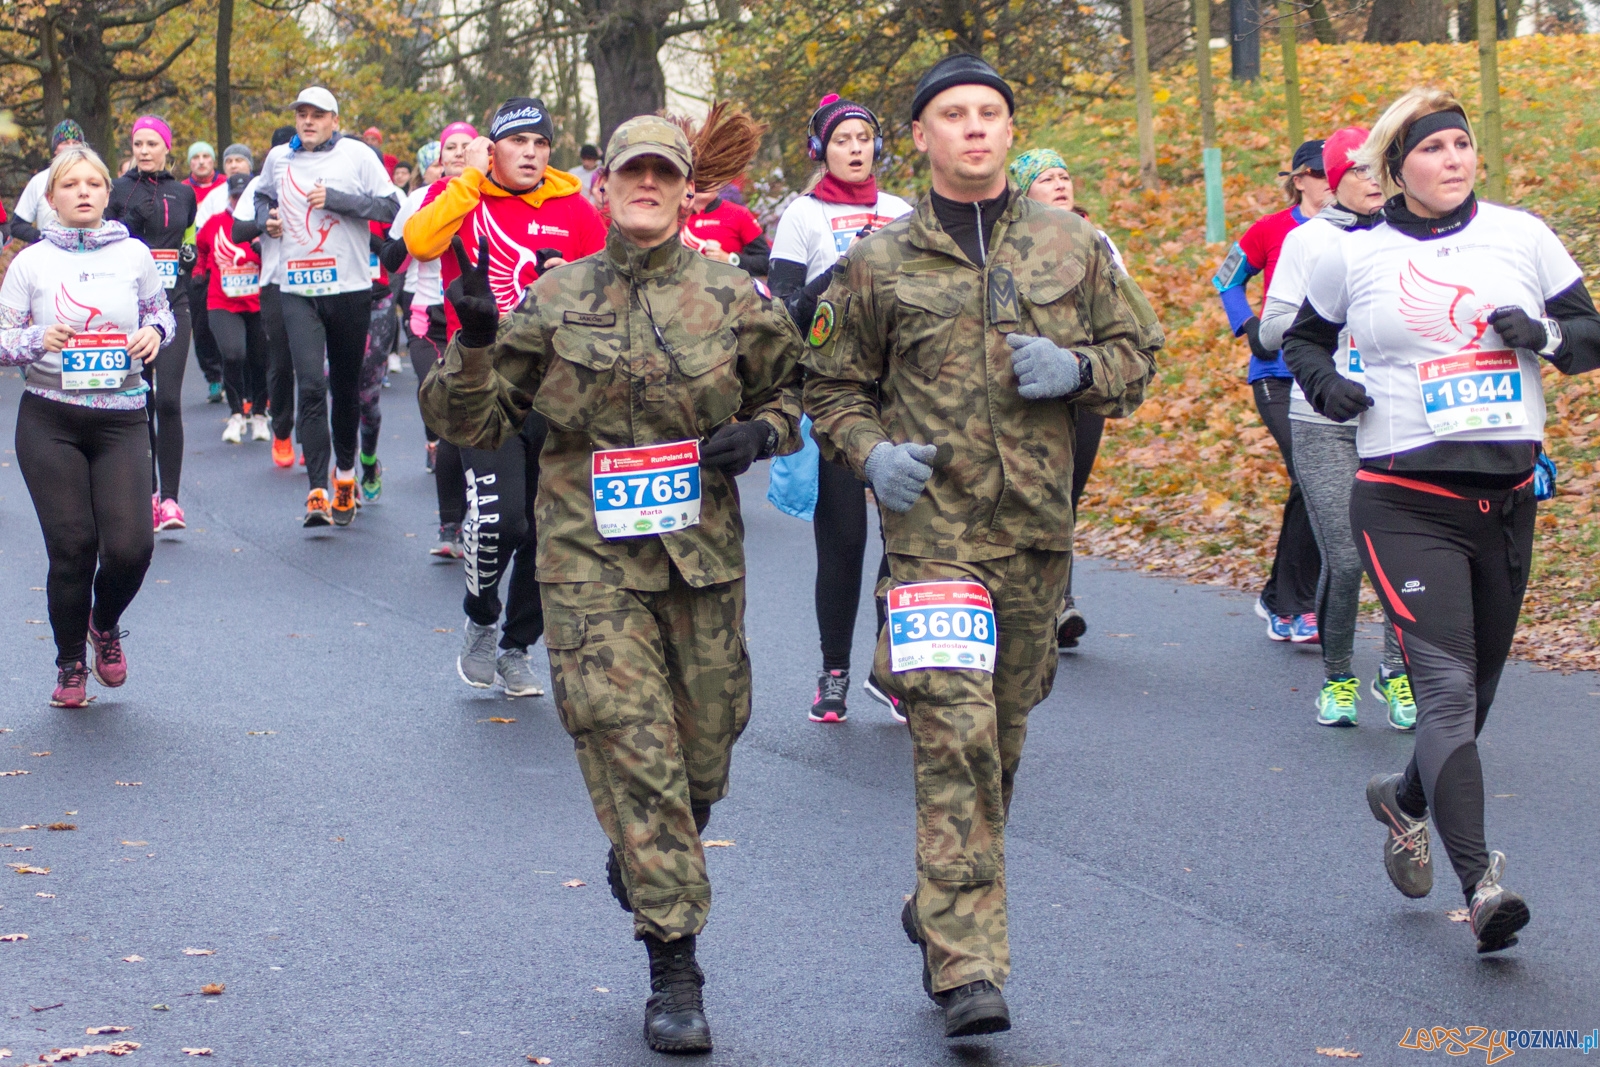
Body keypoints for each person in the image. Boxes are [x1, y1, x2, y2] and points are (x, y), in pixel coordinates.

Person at [421, 113, 802, 1055]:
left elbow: (797, 391)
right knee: (634, 749)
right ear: (604, 187)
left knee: (704, 753)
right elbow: (471, 420)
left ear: (684, 190)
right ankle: (674, 963)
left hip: (700, 559)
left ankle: (647, 846)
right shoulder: (553, 299)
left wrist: (764, 433)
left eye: (662, 175)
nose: (645, 186)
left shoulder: (732, 295)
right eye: (629, 172)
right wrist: (471, 340)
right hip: (587, 559)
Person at [803, 54, 1158, 1038]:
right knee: (952, 739)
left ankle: (938, 901)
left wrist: (1078, 367)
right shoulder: (877, 263)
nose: (972, 128)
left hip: (1036, 536)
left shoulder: (1074, 245)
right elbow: (826, 382)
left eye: (989, 114)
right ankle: (966, 964)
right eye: (951, 115)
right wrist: (871, 457)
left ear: (1009, 131)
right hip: (930, 541)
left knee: (1000, 736)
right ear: (918, 137)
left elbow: (1139, 356)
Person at [1283, 87, 1600, 954]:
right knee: (1448, 691)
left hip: (1504, 502)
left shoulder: (1522, 235)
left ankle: (1405, 798)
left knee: (1480, 694)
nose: (1453, 159)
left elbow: (1589, 334)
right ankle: (1484, 885)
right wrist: (1326, 387)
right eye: (1433, 148)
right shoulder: (1354, 254)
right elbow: (1301, 341)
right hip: (1402, 497)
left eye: (1463, 145)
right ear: (1398, 168)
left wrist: (1536, 333)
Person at [405, 98, 606, 695]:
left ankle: (518, 646)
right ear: (494, 151)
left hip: (557, 387)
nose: (532, 154)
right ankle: (481, 617)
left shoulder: (572, 206)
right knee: (503, 523)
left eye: (541, 144)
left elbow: (604, 285)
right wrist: (469, 180)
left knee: (550, 532)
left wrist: (566, 274)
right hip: (481, 381)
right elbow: (418, 241)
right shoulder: (467, 200)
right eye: (518, 143)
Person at [0, 145, 175, 707]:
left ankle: (104, 624)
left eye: (93, 185)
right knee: (73, 545)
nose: (83, 193)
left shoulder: (134, 255)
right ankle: (71, 663)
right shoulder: (31, 263)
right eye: (70, 185)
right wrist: (34, 340)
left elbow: (161, 313)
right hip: (50, 417)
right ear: (51, 198)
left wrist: (157, 335)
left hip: (121, 416)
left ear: (107, 193)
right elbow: (3, 338)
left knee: (131, 549)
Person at [1258, 127, 1415, 729]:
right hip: (1321, 417)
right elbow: (1271, 330)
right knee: (1347, 560)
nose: (1373, 180)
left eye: (1379, 168)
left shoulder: (1410, 231)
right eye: (1357, 171)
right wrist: (1323, 317)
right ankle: (1339, 678)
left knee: (1401, 555)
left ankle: (1396, 676)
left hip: (1396, 415)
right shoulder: (1308, 241)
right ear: (1332, 179)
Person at [765, 93, 913, 724]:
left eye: (864, 138)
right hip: (832, 396)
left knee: (906, 539)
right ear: (821, 149)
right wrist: (844, 273)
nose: (855, 149)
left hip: (902, 394)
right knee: (844, 541)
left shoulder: (904, 211)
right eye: (842, 139)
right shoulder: (802, 215)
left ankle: (892, 666)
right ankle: (833, 673)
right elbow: (783, 309)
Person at [1009, 146, 1163, 651]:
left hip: (1082, 380)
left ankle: (1059, 602)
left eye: (1064, 175)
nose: (1059, 183)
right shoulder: (1007, 239)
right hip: (1026, 385)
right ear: (1022, 190)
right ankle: (1029, 598)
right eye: (1046, 178)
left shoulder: (1096, 239)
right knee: (1028, 495)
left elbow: (1123, 309)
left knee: (1065, 497)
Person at [250, 87, 400, 526]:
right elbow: (261, 197)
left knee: (346, 390)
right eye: (302, 114)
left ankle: (347, 474)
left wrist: (337, 199)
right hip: (297, 289)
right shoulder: (280, 158)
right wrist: (267, 221)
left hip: (351, 289)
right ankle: (317, 488)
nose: (309, 121)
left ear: (335, 119)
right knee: (311, 386)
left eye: (318, 115)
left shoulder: (357, 155)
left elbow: (392, 207)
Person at [1213, 139, 1331, 644]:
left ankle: (1277, 598)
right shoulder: (1271, 229)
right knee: (1309, 473)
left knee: (1314, 482)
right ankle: (1294, 603)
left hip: (1329, 373)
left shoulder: (1364, 230)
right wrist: (1251, 325)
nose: (1334, 180)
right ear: (1299, 178)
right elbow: (1227, 279)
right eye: (1324, 173)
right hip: (1276, 375)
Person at [107, 115, 197, 533]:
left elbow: (188, 236)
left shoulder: (184, 193)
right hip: (131, 311)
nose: (143, 150)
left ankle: (172, 500)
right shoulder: (119, 191)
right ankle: (148, 492)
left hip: (174, 304)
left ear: (166, 148)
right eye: (137, 143)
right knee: (139, 401)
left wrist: (190, 255)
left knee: (168, 401)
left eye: (151, 143)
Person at [384, 130, 469, 558]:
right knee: (447, 412)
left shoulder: (489, 200)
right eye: (448, 148)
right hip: (427, 319)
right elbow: (390, 256)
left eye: (463, 147)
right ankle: (450, 524)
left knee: (467, 425)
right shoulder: (419, 200)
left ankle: (468, 516)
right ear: (438, 157)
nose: (456, 154)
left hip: (473, 317)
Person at [232, 127, 298, 468]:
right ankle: (283, 430)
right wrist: (267, 219)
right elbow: (237, 230)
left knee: (317, 370)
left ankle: (315, 436)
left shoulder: (323, 177)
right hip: (275, 281)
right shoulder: (261, 185)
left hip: (322, 283)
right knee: (282, 362)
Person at [197, 172, 268, 445]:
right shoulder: (215, 224)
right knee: (234, 354)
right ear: (229, 196)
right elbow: (202, 249)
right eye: (235, 196)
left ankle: (260, 414)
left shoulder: (261, 223)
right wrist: (199, 271)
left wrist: (263, 251)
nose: (238, 201)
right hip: (222, 301)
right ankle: (237, 414)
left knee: (261, 358)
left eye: (243, 196)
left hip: (258, 301)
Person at [184, 141, 229, 403]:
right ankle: (213, 377)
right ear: (190, 162)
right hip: (196, 267)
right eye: (196, 157)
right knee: (201, 325)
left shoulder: (227, 187)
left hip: (226, 264)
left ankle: (233, 372)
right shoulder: (182, 191)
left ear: (213, 161)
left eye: (206, 157)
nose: (201, 161)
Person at [11, 120, 86, 245]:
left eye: (76, 142)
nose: (71, 147)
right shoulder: (40, 181)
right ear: (55, 149)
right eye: (65, 143)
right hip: (49, 256)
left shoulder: (94, 179)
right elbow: (17, 225)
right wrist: (42, 237)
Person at [681, 185, 769, 275]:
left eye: (710, 176)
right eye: (699, 180)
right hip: (682, 285)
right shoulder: (674, 217)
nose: (705, 183)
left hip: (727, 285)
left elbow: (766, 262)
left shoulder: (739, 214)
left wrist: (730, 259)